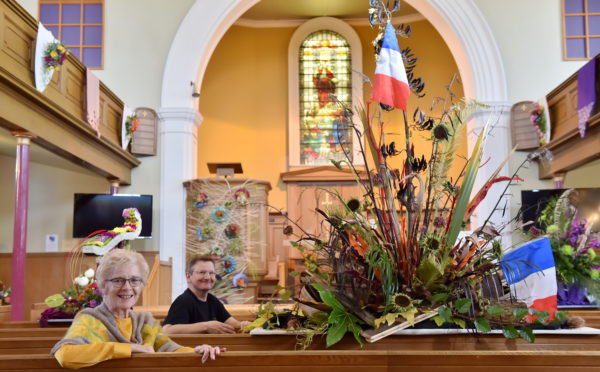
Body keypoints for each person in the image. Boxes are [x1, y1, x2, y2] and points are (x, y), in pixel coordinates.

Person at [51, 249, 224, 369]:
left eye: (135, 280)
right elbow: (65, 355)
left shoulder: (145, 321)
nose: (127, 287)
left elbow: (170, 348)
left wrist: (198, 350)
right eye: (118, 280)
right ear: (103, 285)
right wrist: (130, 348)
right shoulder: (89, 319)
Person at [162, 256, 250, 334]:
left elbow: (231, 324)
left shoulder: (213, 301)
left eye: (211, 273)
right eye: (202, 272)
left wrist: (243, 325)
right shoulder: (183, 301)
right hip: (191, 351)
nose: (208, 277)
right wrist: (206, 326)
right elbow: (167, 330)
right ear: (188, 277)